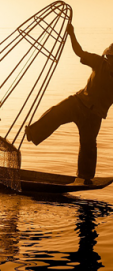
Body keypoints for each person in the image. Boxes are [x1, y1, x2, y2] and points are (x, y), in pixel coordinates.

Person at [25, 23, 113, 185]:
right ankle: (33, 133)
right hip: (78, 103)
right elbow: (79, 52)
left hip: (94, 116)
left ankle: (85, 177)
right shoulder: (99, 62)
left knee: (88, 146)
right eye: (109, 57)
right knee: (55, 113)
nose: (109, 60)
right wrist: (71, 34)